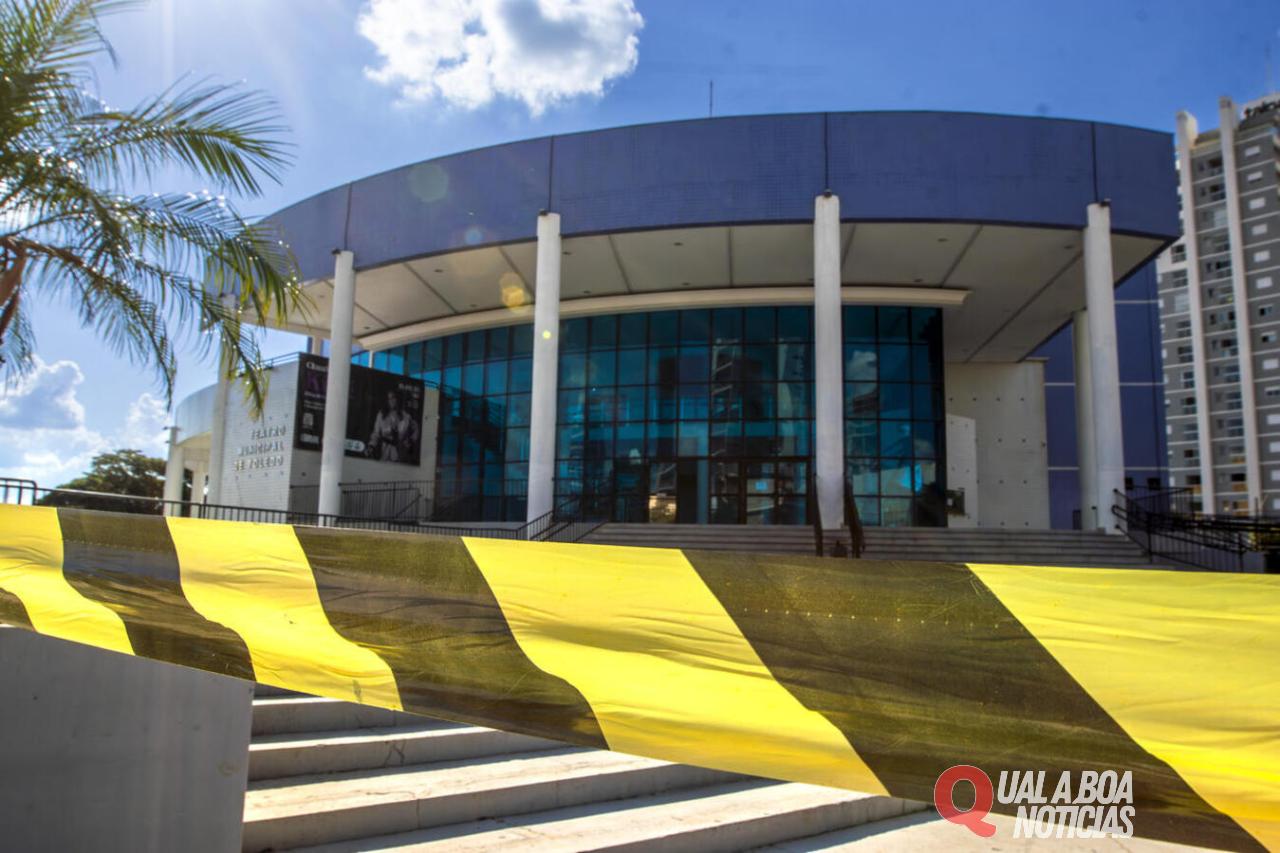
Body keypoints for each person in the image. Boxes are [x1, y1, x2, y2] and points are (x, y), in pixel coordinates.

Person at [367, 390, 420, 463]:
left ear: (398, 399)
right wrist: (371, 446)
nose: (391, 401)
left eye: (393, 398)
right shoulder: (381, 415)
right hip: (384, 453)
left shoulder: (406, 416)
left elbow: (416, 428)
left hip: (400, 454)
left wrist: (410, 440)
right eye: (389, 399)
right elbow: (376, 433)